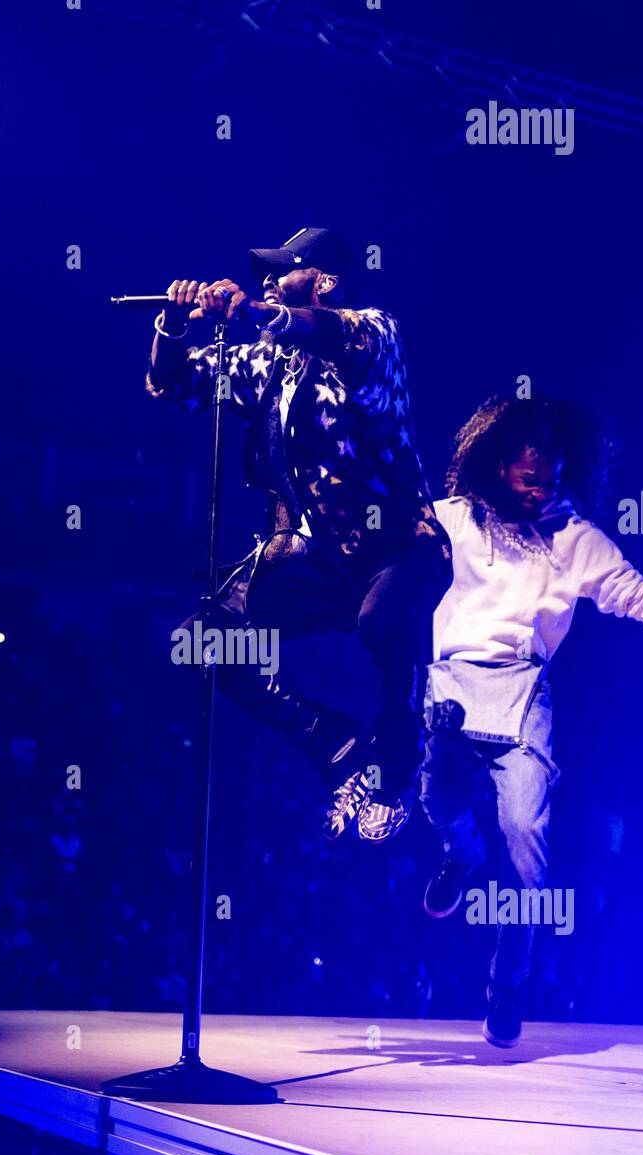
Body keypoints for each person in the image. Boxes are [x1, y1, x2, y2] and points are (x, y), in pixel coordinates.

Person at [147, 228, 451, 841]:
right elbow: (175, 383)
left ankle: (398, 762)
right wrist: (174, 325)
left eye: (285, 270)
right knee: (201, 642)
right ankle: (335, 744)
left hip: (398, 547)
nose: (267, 279)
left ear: (325, 281)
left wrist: (264, 312)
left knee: (384, 622)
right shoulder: (269, 365)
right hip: (320, 561)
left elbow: (330, 333)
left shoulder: (373, 331)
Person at [420, 394, 643, 1045]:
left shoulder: (576, 540)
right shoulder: (454, 520)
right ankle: (460, 854)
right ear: (498, 467)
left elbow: (636, 593)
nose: (540, 491)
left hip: (525, 701)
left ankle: (507, 982)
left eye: (551, 480)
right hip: (452, 687)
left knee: (527, 845)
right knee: (439, 800)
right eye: (529, 480)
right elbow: (378, 543)